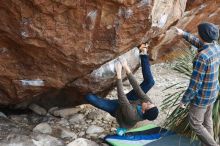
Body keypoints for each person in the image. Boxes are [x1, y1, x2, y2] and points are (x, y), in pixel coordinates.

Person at [85, 44, 159, 129]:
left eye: (149, 105)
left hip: (117, 108)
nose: (149, 102)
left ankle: (102, 97)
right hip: (131, 100)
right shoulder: (148, 104)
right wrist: (126, 67)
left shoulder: (132, 115)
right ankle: (144, 54)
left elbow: (121, 96)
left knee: (89, 97)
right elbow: (137, 89)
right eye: (152, 104)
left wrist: (119, 72)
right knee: (150, 82)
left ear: (143, 110)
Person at [175, 22, 220, 146]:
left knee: (195, 123)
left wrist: (184, 100)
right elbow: (199, 43)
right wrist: (183, 34)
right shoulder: (215, 47)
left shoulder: (202, 57)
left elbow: (195, 84)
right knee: (207, 121)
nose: (197, 34)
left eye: (198, 32)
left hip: (202, 97)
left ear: (201, 35)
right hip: (212, 93)